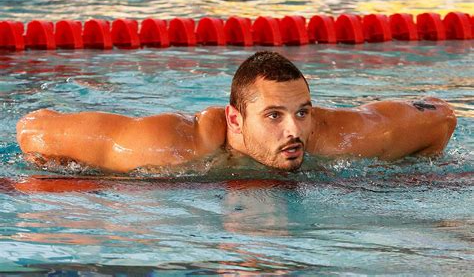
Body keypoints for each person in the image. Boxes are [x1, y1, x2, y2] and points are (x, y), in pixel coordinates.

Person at [17, 51, 457, 173]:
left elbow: (440, 114)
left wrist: (415, 171)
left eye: (302, 112)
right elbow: (32, 129)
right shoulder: (163, 147)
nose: (295, 131)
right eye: (273, 116)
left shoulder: (343, 136)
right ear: (234, 120)